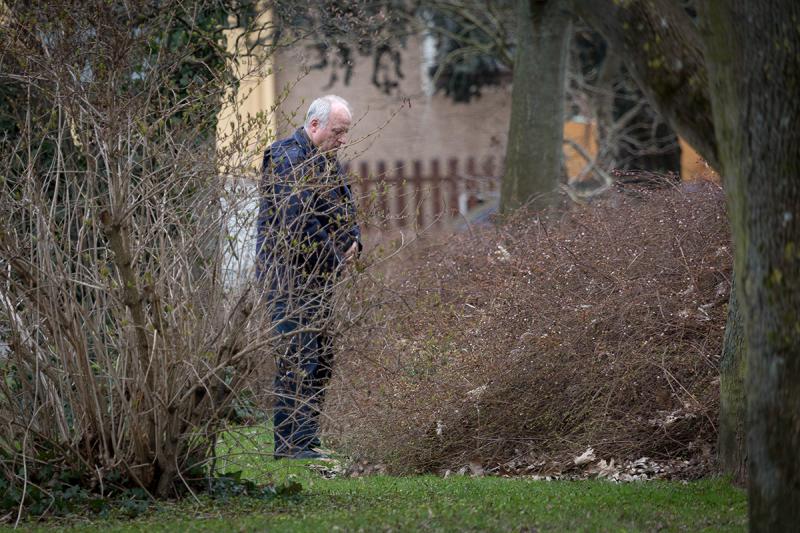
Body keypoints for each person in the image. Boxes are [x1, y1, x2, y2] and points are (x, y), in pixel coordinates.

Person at [255, 95, 361, 459]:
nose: (342, 140)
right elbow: (296, 220)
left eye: (346, 133)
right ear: (314, 126)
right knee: (297, 358)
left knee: (321, 358)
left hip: (319, 278)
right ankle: (290, 446)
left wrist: (354, 242)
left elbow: (345, 209)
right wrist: (334, 256)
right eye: (338, 131)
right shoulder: (285, 157)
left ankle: (307, 440)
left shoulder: (327, 163)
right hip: (287, 278)